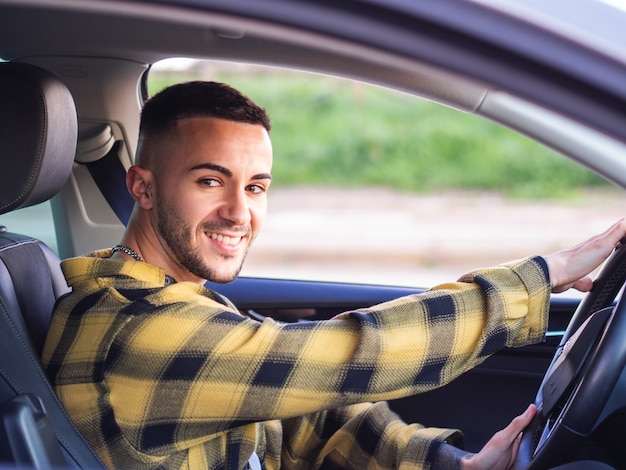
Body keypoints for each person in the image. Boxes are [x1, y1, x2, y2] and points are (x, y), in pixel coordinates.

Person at [42, 81, 626, 470]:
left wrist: (452, 466)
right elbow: (352, 354)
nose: (239, 214)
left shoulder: (172, 305)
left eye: (255, 187)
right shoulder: (133, 332)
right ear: (142, 187)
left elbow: (303, 416)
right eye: (210, 181)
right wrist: (542, 277)